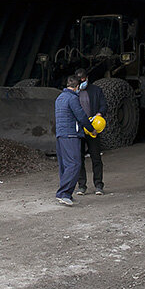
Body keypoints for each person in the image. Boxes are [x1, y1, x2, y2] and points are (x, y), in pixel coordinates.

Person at [53, 74, 92, 206]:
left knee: (65, 165)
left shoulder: (59, 98)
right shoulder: (72, 98)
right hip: (71, 135)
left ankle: (66, 193)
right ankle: (63, 193)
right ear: (76, 87)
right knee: (74, 164)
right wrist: (91, 128)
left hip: (61, 135)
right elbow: (81, 116)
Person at [74, 69, 106, 195]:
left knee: (96, 157)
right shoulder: (74, 93)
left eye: (83, 79)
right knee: (79, 159)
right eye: (79, 80)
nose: (82, 82)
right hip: (79, 130)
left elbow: (103, 105)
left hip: (92, 129)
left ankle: (98, 185)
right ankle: (82, 185)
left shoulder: (96, 91)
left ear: (87, 78)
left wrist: (100, 114)